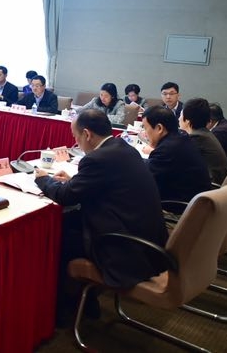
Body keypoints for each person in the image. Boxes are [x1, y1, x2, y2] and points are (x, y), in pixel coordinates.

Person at [34, 110, 167, 320]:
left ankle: (63, 308)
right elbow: (105, 186)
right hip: (147, 242)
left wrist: (43, 179)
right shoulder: (123, 148)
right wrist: (76, 181)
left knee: (57, 235)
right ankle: (86, 301)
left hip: (124, 248)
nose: (76, 143)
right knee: (69, 221)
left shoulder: (98, 159)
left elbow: (65, 196)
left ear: (87, 134)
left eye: (76, 137)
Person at [142, 105, 211, 202]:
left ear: (159, 128)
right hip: (195, 201)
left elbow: (144, 179)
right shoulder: (180, 138)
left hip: (178, 207)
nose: (144, 133)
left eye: (145, 128)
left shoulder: (167, 150)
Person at [180, 98, 227, 185]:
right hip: (217, 183)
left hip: (212, 186)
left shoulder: (197, 137)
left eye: (181, 115)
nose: (178, 119)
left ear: (187, 120)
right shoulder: (205, 134)